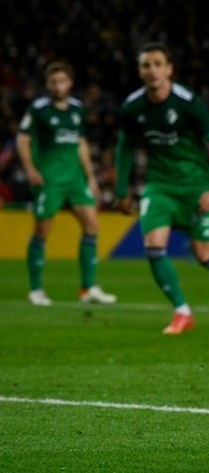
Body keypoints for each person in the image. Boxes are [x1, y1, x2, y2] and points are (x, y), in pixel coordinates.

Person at [114, 42, 209, 334]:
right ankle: (182, 312)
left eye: (157, 64)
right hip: (159, 187)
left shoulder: (187, 102)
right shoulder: (132, 107)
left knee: (204, 254)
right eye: (146, 65)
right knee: (153, 247)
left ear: (169, 69)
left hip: (195, 187)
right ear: (140, 71)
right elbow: (124, 148)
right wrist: (120, 190)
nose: (152, 70)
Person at [16, 61, 117, 306]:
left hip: (75, 179)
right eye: (53, 82)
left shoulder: (77, 109)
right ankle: (36, 289)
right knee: (42, 231)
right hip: (49, 180)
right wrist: (30, 169)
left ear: (70, 83)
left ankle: (88, 288)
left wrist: (90, 176)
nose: (58, 86)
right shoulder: (39, 109)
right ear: (48, 84)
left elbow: (80, 143)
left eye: (62, 81)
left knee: (92, 225)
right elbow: (23, 139)